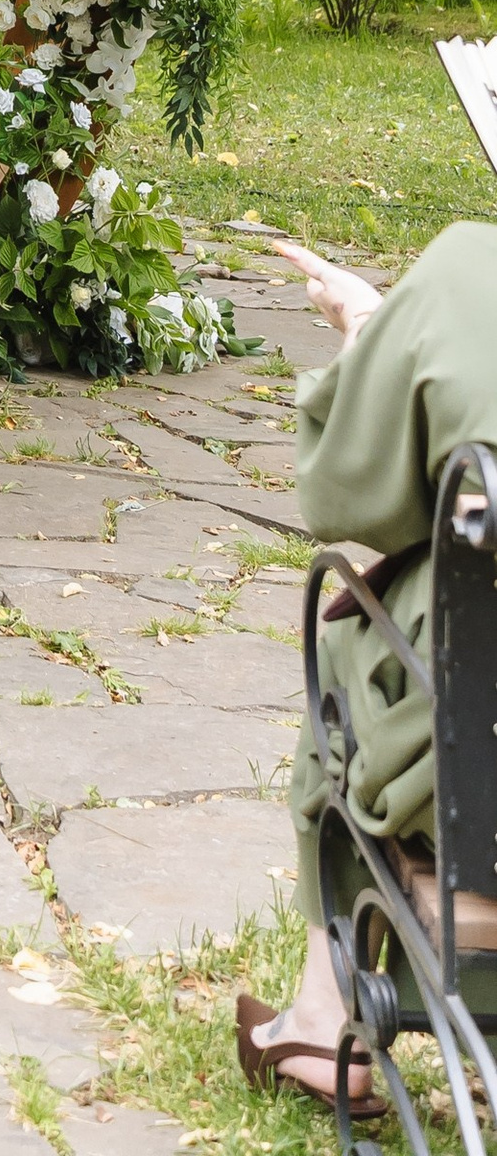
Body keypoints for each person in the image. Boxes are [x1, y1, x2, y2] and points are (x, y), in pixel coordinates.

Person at [234, 220, 497, 1118]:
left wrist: (371, 332)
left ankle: (322, 1010)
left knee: (360, 652)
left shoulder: (474, 277)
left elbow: (348, 494)